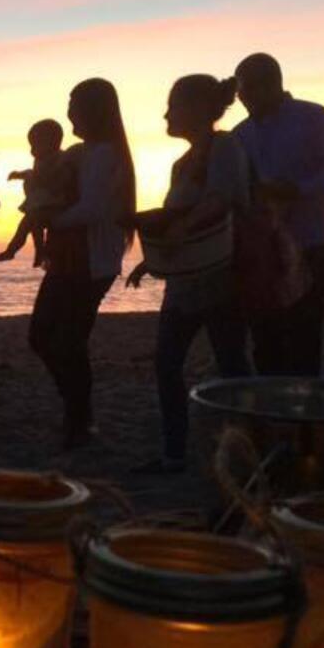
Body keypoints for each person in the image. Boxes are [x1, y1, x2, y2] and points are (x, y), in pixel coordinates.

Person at [125, 75, 251, 474]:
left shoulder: (225, 146)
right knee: (168, 363)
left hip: (221, 278)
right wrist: (153, 258)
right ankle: (175, 452)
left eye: (173, 105)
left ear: (196, 108)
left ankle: (246, 449)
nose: (167, 113)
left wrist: (180, 230)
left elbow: (224, 198)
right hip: (186, 281)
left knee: (231, 365)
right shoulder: (182, 163)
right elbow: (179, 216)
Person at [23, 78, 134, 450]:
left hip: (89, 263)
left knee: (65, 340)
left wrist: (48, 220)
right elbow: (49, 173)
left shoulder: (106, 155)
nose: (68, 112)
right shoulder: (81, 152)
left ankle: (79, 418)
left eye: (75, 105)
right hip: (68, 260)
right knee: (48, 337)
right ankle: (77, 413)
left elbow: (93, 209)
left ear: (95, 111)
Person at [231, 53, 324, 376]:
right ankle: (273, 413)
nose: (243, 98)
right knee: (264, 334)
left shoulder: (315, 118)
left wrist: (297, 189)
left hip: (310, 240)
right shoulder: (240, 134)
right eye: (241, 93)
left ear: (272, 84)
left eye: (248, 90)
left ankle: (302, 416)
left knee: (303, 332)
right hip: (261, 248)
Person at [0, 119, 76, 267]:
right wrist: (19, 174)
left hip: (54, 204)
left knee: (35, 222)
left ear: (52, 143)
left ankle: (40, 250)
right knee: (24, 225)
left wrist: (43, 180)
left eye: (35, 145)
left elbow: (63, 179)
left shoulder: (61, 159)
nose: (32, 151)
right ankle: (12, 250)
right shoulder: (40, 160)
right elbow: (33, 174)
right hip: (39, 205)